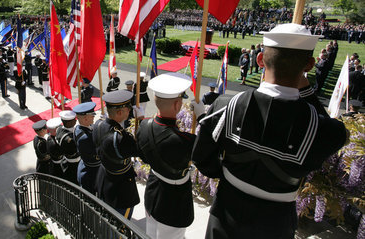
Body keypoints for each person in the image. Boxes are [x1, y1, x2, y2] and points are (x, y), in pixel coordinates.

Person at [192, 23, 349, 239]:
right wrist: (306, 88)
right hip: (276, 223)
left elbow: (201, 158)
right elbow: (334, 131)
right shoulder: (325, 129)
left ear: (260, 60)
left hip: (226, 212)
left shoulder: (225, 106)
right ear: (310, 65)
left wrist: (230, 177)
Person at [137, 72, 203, 238]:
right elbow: (209, 156)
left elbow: (144, 157)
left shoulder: (143, 126)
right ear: (177, 105)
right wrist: (203, 117)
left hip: (153, 193)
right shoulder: (185, 141)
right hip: (173, 203)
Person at [93, 90, 140, 219]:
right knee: (120, 228)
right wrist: (140, 122)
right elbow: (140, 150)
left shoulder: (98, 124)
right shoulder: (121, 138)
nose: (130, 110)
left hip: (104, 178)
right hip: (121, 187)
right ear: (120, 112)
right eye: (128, 109)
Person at [73, 102, 100, 194]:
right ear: (85, 118)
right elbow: (97, 155)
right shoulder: (85, 138)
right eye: (92, 116)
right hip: (92, 172)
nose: (93, 117)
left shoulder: (80, 128)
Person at [56, 110, 80, 184]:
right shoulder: (70, 139)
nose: (76, 120)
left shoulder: (59, 129)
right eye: (74, 120)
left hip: (65, 160)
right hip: (74, 163)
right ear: (69, 122)